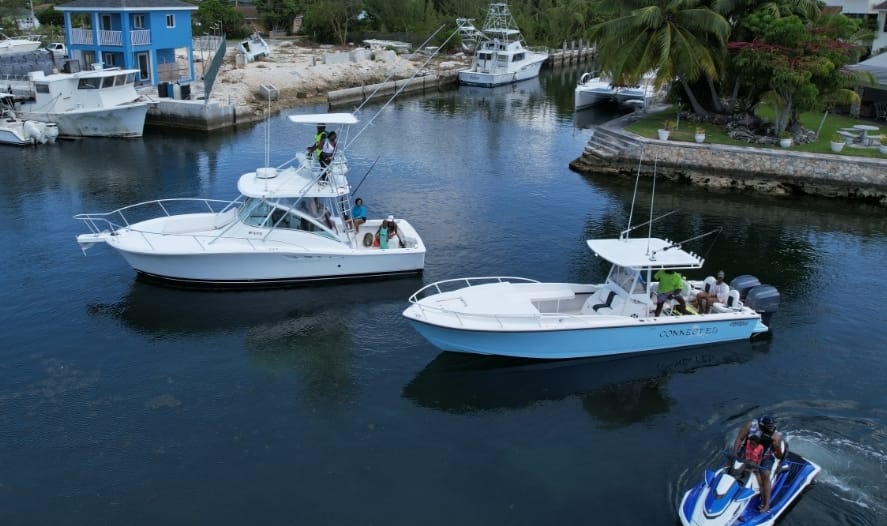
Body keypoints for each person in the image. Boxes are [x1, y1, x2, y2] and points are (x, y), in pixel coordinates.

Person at [732, 416, 784, 513]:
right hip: (748, 451)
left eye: (772, 427)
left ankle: (766, 504)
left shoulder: (776, 437)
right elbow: (740, 438)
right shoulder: (750, 426)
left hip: (765, 456)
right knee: (731, 465)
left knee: (765, 474)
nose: (771, 429)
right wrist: (735, 454)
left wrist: (777, 447)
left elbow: (779, 456)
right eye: (769, 427)